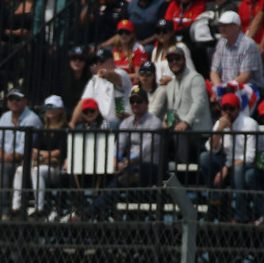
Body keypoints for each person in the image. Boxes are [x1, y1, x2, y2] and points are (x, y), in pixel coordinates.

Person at [79, 85, 165, 220]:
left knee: (125, 177)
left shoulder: (155, 123)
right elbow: (119, 145)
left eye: (139, 101)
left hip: (149, 166)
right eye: (132, 101)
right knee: (107, 172)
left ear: (147, 103)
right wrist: (114, 159)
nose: (135, 104)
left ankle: (88, 213)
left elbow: (145, 149)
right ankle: (105, 215)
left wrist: (125, 162)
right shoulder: (127, 123)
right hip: (128, 166)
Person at [201, 91, 259, 220]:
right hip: (227, 163)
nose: (227, 112)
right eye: (224, 109)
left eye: (231, 109)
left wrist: (227, 168)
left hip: (246, 165)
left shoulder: (249, 124)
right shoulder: (220, 123)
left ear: (238, 109)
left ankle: (240, 214)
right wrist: (218, 131)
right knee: (205, 158)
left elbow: (250, 156)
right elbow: (212, 150)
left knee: (238, 169)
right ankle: (216, 198)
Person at [11, 94, 67, 217]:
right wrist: (43, 154)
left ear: (60, 110)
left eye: (53, 107)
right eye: (48, 107)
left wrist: (45, 154)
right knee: (20, 170)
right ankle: (16, 207)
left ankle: (39, 208)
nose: (50, 110)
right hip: (41, 163)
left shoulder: (65, 128)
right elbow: (35, 149)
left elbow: (61, 151)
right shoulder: (43, 128)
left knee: (36, 171)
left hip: (56, 167)